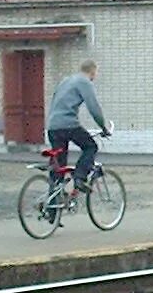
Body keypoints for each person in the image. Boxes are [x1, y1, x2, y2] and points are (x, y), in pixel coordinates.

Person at [46, 59, 112, 195]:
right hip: (68, 125)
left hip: (53, 126)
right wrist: (103, 127)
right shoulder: (84, 82)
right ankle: (80, 178)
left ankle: (51, 206)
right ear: (93, 71)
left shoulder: (66, 81)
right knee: (91, 146)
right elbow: (94, 107)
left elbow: (54, 101)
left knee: (59, 166)